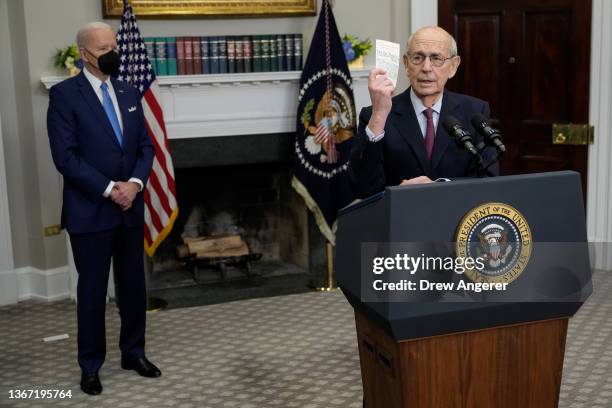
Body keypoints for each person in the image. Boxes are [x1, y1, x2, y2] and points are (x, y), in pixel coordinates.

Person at [47, 22, 160, 396]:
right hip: (91, 210)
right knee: (93, 292)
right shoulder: (65, 96)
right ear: (84, 54)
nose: (113, 52)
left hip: (131, 206)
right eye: (103, 48)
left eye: (114, 45)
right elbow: (65, 157)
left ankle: (133, 353)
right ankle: (90, 365)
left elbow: (146, 147)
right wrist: (111, 189)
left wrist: (135, 184)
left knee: (132, 286)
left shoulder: (129, 90)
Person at [349, 26, 499, 199]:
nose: (426, 67)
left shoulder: (475, 111)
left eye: (436, 58)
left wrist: (440, 186)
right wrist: (379, 114)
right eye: (418, 58)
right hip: (400, 219)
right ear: (406, 63)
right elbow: (362, 188)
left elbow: (489, 179)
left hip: (457, 218)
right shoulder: (374, 115)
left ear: (453, 66)